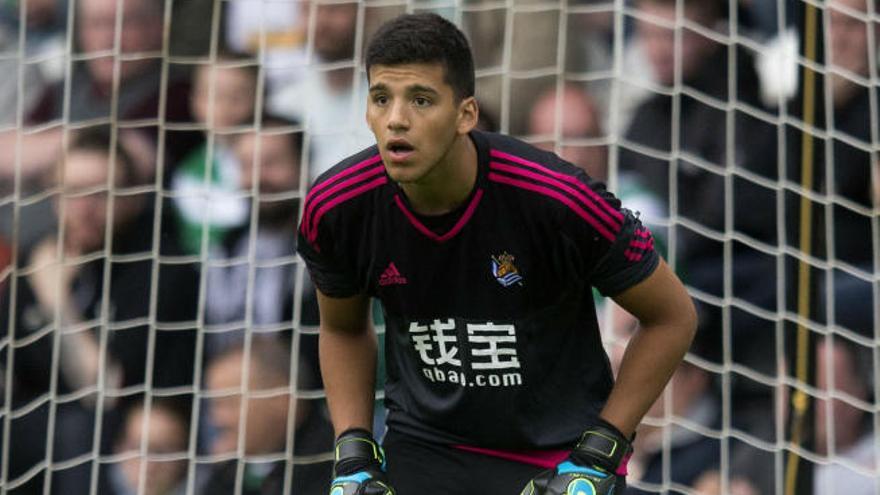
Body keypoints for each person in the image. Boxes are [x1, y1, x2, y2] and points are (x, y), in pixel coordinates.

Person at [296, 12, 697, 495]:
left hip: (557, 459)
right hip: (424, 451)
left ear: (466, 114)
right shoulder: (338, 207)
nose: (397, 118)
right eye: (381, 98)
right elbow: (342, 328)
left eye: (421, 99)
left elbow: (673, 316)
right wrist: (354, 449)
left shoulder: (558, 199)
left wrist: (602, 451)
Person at [0, 128, 199, 494]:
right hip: (39, 429)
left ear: (132, 197)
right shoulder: (38, 255)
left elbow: (103, 391)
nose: (83, 206)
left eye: (99, 192)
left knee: (80, 430)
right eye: (71, 191)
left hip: (129, 438)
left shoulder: (160, 266)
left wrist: (56, 299)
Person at [199, 339, 333, 495]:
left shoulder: (332, 459)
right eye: (215, 405)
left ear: (282, 399)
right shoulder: (226, 473)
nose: (218, 420)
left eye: (230, 403)